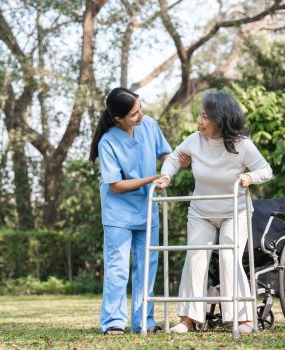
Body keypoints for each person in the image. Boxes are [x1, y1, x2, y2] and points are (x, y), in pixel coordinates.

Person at [154, 90, 273, 334]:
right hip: (201, 212)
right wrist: (166, 176)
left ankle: (243, 320)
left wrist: (249, 176)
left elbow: (266, 170)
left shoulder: (242, 145)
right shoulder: (195, 140)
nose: (199, 121)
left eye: (205, 117)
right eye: (199, 115)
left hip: (235, 211)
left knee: (230, 258)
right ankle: (188, 320)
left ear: (221, 120)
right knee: (195, 259)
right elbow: (175, 158)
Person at [89, 87, 189, 335]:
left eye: (140, 109)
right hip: (118, 214)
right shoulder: (108, 142)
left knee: (147, 267)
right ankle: (113, 322)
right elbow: (115, 184)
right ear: (118, 118)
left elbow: (167, 154)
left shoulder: (150, 126)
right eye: (134, 114)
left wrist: (171, 169)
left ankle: (144, 321)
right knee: (118, 268)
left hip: (147, 210)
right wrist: (150, 179)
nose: (140, 115)